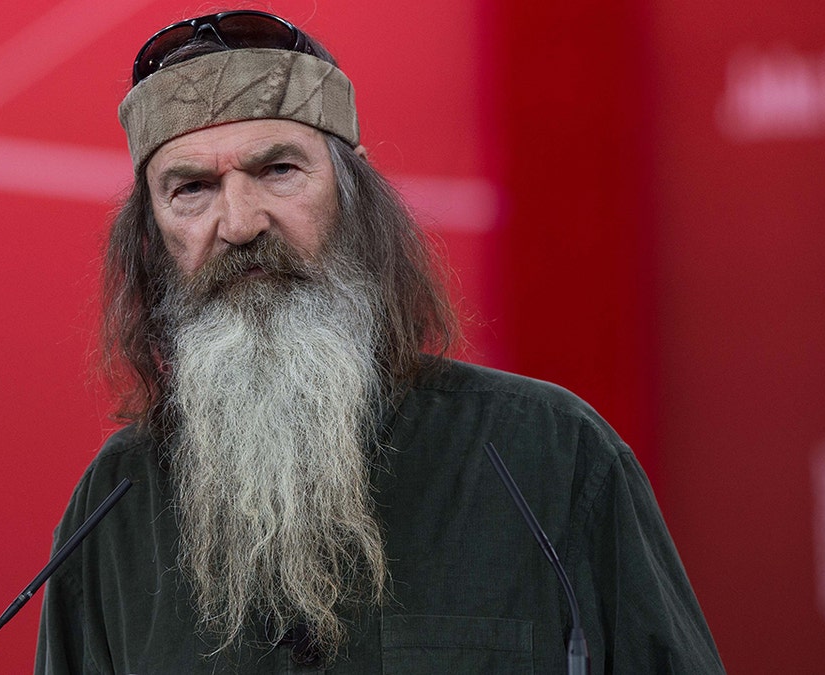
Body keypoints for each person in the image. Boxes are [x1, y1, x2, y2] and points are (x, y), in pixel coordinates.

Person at [36, 10, 723, 674]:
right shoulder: (112, 508)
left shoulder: (554, 457)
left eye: (278, 171)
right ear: (152, 236)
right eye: (192, 188)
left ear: (354, 189)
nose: (240, 222)